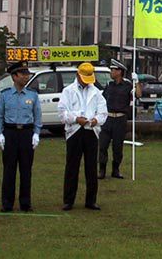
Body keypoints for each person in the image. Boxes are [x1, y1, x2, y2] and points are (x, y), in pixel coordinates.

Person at [58, 62, 107, 211]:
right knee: (72, 166)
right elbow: (62, 113)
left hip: (91, 132)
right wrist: (75, 119)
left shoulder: (97, 92)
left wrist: (95, 121)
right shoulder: (68, 91)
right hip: (74, 131)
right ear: (77, 75)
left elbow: (103, 112)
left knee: (91, 167)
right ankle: (68, 200)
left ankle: (91, 200)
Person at [0, 61, 42, 212]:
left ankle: (25, 203)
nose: (25, 76)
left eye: (27, 73)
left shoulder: (32, 95)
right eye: (22, 74)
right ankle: (7, 203)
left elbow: (37, 116)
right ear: (14, 76)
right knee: (9, 169)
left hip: (26, 133)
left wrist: (36, 134)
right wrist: (0, 134)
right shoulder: (5, 94)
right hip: (10, 133)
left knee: (26, 169)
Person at [98, 59, 133, 179]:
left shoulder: (128, 86)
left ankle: (115, 170)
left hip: (120, 119)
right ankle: (102, 170)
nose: (111, 72)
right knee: (103, 145)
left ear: (119, 72)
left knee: (117, 147)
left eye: (113, 70)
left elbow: (138, 95)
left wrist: (137, 82)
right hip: (108, 118)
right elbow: (102, 100)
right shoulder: (109, 85)